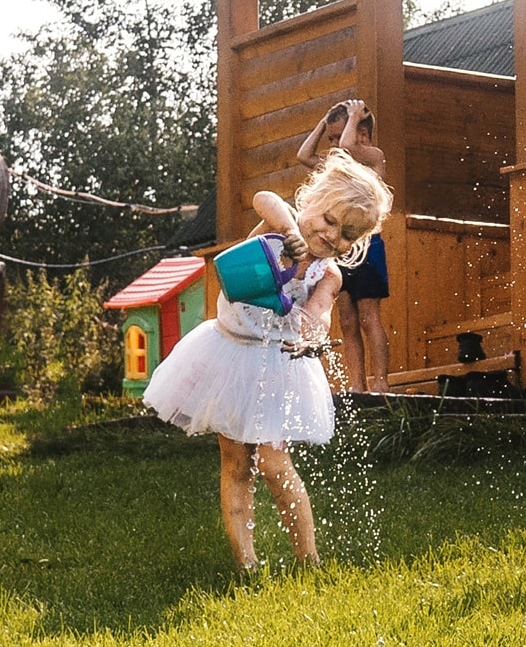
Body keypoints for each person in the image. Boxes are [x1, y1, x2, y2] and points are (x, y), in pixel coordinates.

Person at [143, 149, 393, 570]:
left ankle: (308, 560)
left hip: (275, 367)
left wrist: (311, 333)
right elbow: (264, 197)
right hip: (227, 357)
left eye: (348, 234)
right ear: (309, 204)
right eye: (329, 220)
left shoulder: (328, 274)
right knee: (236, 463)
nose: (333, 236)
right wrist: (289, 227)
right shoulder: (275, 230)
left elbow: (319, 314)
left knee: (276, 465)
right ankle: (247, 564)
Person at [296, 99, 391, 392]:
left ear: (362, 133)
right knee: (347, 320)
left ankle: (381, 382)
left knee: (368, 317)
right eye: (331, 139)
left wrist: (352, 116)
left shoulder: (372, 157)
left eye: (339, 135)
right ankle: (357, 384)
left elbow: (347, 149)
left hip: (366, 246)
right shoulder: (337, 166)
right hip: (340, 251)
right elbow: (303, 155)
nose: (335, 144)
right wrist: (324, 123)